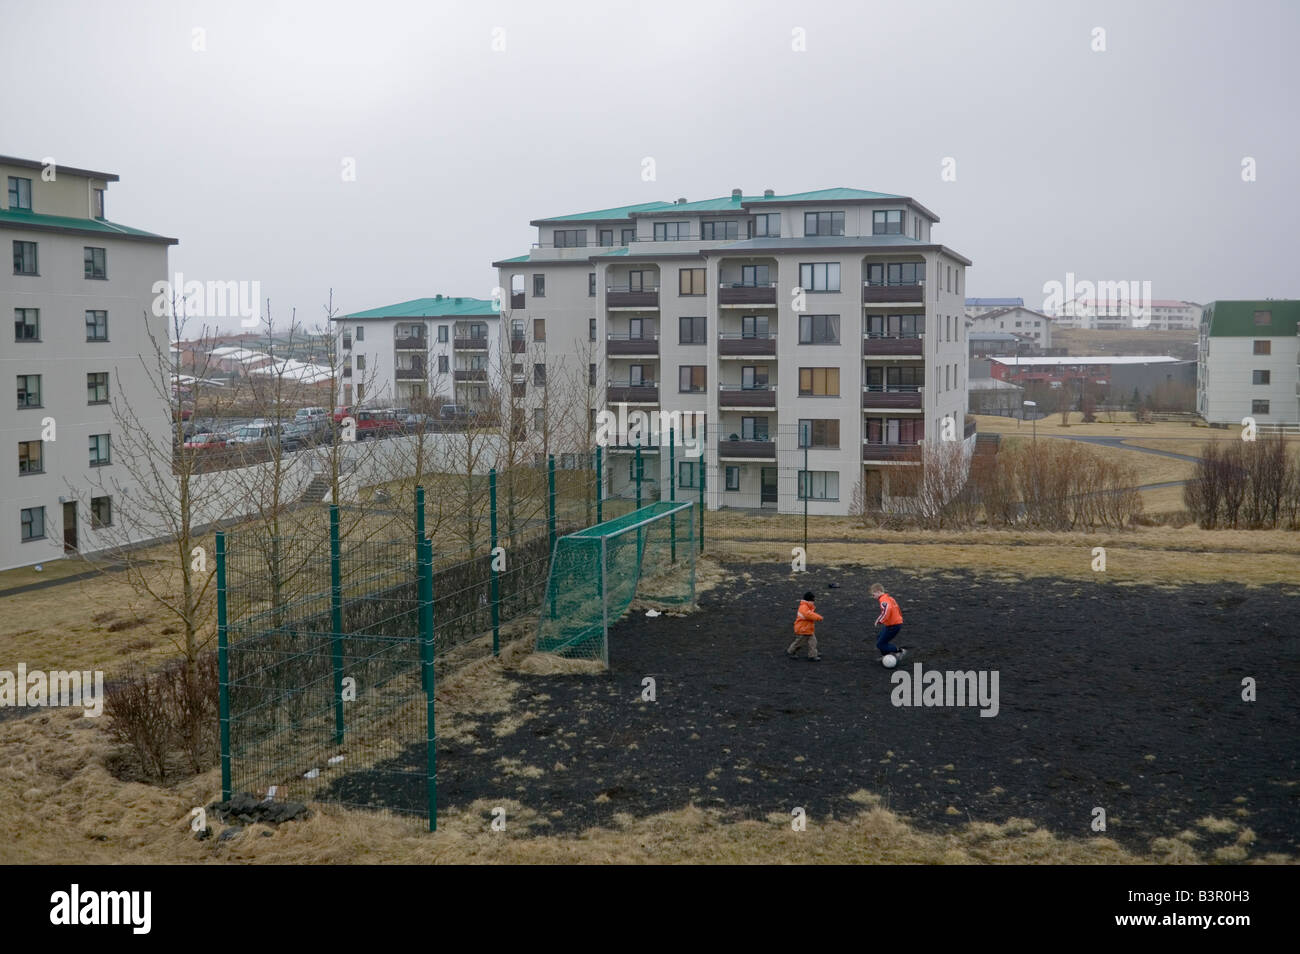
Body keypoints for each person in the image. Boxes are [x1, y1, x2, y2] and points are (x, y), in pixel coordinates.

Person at [870, 583, 907, 660]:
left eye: (873, 595)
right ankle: (886, 656)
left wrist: (879, 620)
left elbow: (887, 610)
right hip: (893, 624)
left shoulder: (883, 600)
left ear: (878, 591)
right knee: (880, 637)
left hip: (893, 625)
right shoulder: (889, 598)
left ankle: (899, 651)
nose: (873, 597)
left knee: (880, 644)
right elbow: (897, 609)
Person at [787, 591, 823, 661]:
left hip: (807, 629)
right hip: (803, 629)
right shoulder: (804, 607)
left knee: (813, 642)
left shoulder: (806, 606)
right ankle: (791, 651)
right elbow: (808, 615)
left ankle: (812, 655)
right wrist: (819, 617)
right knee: (799, 643)